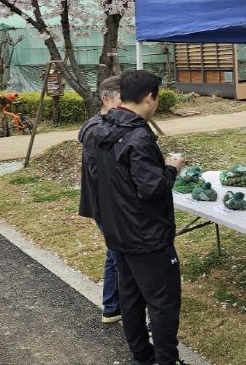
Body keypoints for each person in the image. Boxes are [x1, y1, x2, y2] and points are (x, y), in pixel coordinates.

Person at [93, 70, 187, 365]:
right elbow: (152, 188)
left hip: (119, 230)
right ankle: (166, 360)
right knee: (163, 303)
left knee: (131, 298)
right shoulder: (138, 136)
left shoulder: (103, 127)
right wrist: (171, 168)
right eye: (156, 99)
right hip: (147, 236)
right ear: (149, 98)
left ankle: (143, 357)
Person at [78, 75, 122, 324]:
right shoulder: (97, 130)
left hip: (108, 203)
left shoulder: (106, 124)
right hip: (107, 204)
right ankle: (122, 308)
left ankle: (112, 307)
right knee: (121, 256)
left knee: (114, 253)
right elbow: (100, 174)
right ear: (107, 99)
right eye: (123, 98)